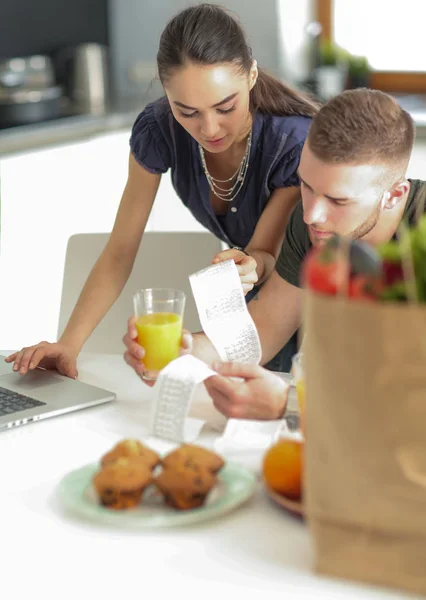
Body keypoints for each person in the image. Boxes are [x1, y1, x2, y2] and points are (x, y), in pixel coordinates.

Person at [6, 3, 318, 378]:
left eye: (225, 107)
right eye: (187, 111)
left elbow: (266, 255)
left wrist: (251, 266)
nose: (210, 129)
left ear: (251, 74)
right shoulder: (159, 130)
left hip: (313, 302)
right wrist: (69, 343)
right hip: (254, 303)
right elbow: (120, 250)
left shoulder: (292, 142)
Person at [123, 88, 425, 419]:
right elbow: (262, 328)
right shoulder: (315, 227)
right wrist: (182, 353)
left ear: (395, 195)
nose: (312, 215)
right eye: (306, 186)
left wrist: (288, 406)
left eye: (338, 201)